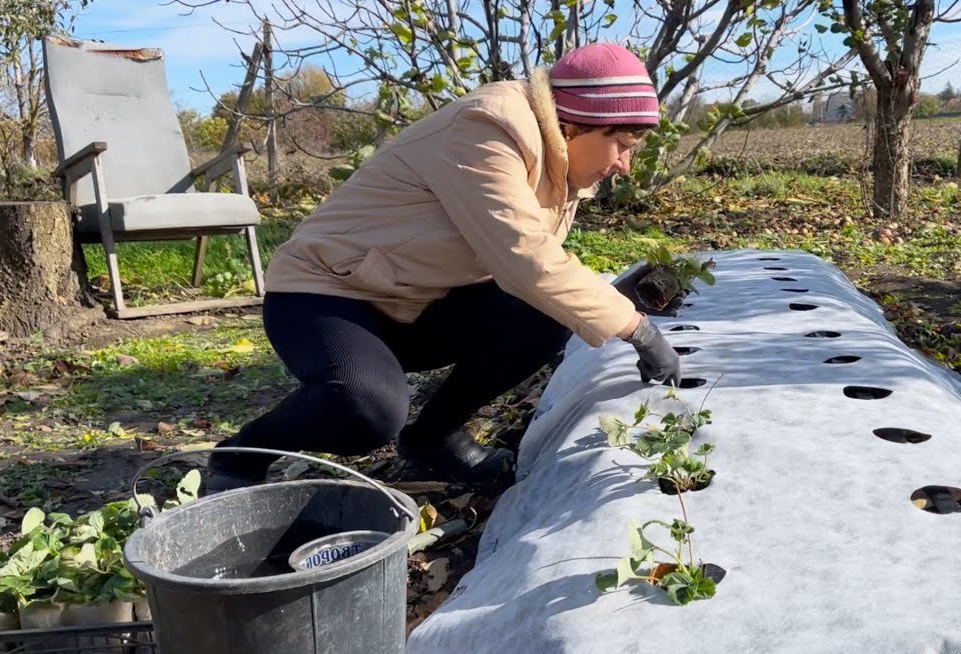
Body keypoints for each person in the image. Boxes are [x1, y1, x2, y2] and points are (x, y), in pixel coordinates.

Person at [206, 43, 684, 494]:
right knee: (366, 409)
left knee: (544, 314)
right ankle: (242, 453)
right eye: (622, 144)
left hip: (414, 300)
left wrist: (610, 306)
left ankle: (433, 438)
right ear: (575, 126)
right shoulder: (491, 127)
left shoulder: (556, 154)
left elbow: (537, 270)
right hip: (327, 293)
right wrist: (638, 330)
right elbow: (527, 257)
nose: (624, 164)